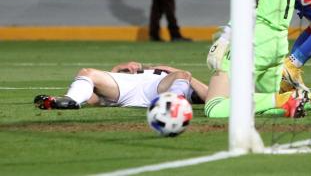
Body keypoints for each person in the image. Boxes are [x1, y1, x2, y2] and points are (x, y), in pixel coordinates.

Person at [34, 61, 207, 110]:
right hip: (125, 86)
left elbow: (209, 96)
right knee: (88, 72)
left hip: (156, 89)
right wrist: (118, 69)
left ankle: (174, 106)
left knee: (182, 75)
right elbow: (97, 94)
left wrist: (175, 70)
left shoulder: (179, 79)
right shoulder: (138, 71)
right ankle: (69, 101)